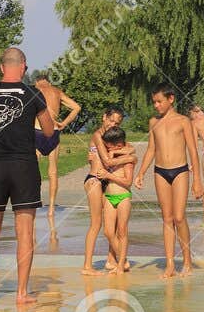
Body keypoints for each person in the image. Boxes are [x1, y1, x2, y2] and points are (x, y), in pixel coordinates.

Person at [0, 47, 55, 304]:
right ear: (23, 66)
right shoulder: (33, 93)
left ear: (1, 68)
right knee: (25, 232)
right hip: (23, 166)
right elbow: (48, 131)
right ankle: (22, 293)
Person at [134, 85, 203, 278]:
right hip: (160, 171)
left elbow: (193, 151)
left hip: (180, 170)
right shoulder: (153, 122)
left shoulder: (183, 121)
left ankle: (187, 260)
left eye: (159, 101)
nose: (156, 105)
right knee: (166, 219)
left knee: (179, 217)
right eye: (154, 102)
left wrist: (197, 180)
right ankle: (170, 264)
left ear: (170, 99)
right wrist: (141, 173)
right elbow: (151, 150)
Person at [81, 104, 127, 273]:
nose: (113, 124)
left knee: (112, 224)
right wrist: (124, 156)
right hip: (94, 181)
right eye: (111, 120)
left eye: (117, 122)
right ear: (104, 117)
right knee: (96, 223)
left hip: (106, 181)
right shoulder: (98, 135)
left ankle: (111, 259)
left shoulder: (112, 137)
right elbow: (107, 161)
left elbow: (129, 149)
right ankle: (87, 265)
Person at [33, 71, 81, 218]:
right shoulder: (56, 91)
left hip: (37, 131)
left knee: (32, 171)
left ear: (37, 82)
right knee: (53, 172)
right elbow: (76, 107)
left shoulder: (34, 91)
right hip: (53, 131)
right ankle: (51, 208)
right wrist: (64, 123)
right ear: (48, 82)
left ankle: (33, 204)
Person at [96, 125, 136, 273]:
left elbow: (128, 181)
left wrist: (109, 176)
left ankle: (120, 265)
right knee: (107, 231)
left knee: (122, 231)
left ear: (118, 145)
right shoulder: (116, 155)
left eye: (109, 147)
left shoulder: (128, 161)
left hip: (123, 196)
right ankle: (123, 259)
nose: (107, 150)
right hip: (109, 196)